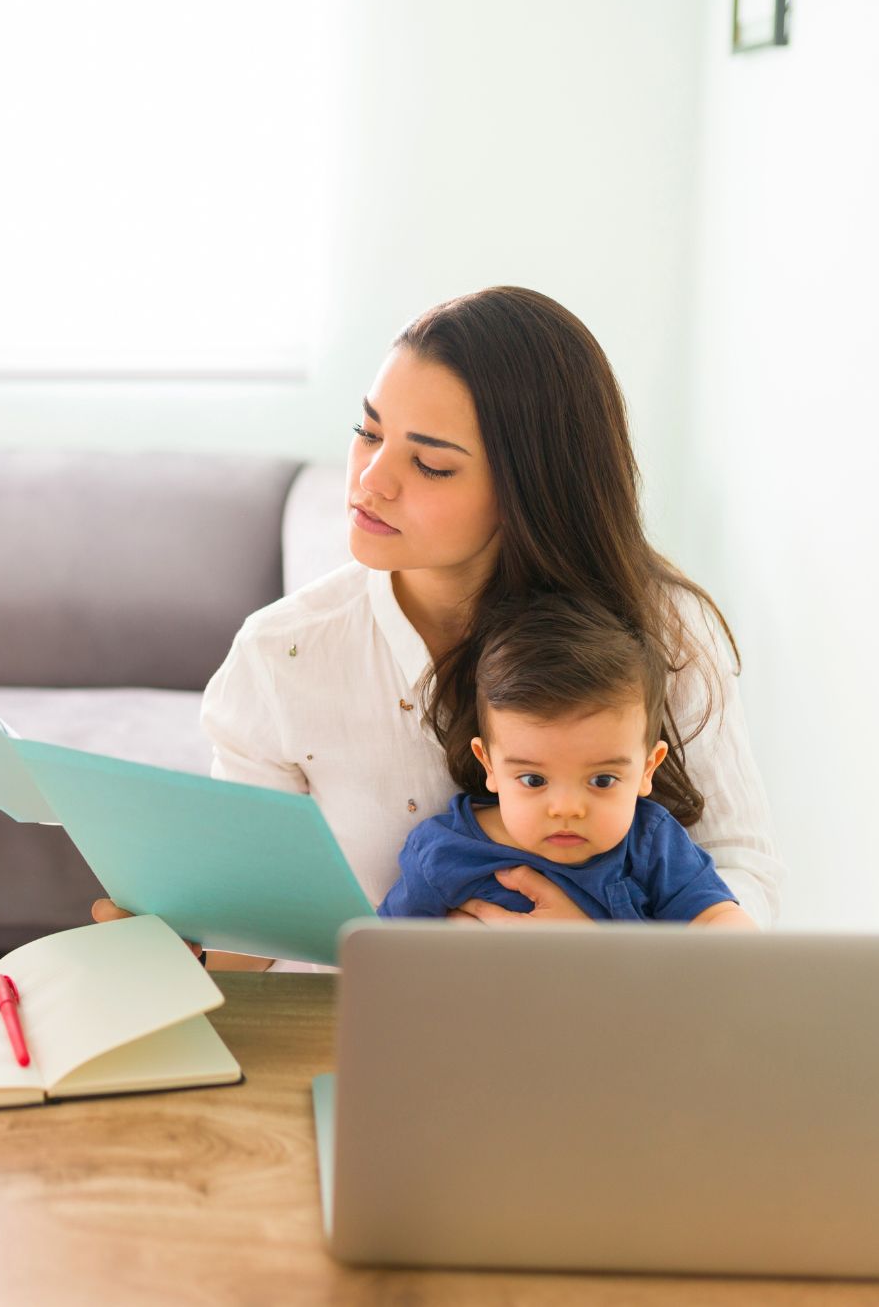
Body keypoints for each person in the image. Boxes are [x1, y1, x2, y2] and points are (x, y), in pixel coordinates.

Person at [93, 286, 782, 968]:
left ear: (531, 489)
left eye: (430, 464)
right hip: (372, 1032)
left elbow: (740, 869)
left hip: (614, 1037)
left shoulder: (663, 633)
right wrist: (182, 947)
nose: (372, 478)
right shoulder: (283, 656)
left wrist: (602, 957)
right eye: (368, 432)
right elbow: (253, 939)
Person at [378, 592, 754, 928]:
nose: (566, 809)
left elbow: (716, 918)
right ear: (489, 764)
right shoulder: (443, 854)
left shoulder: (651, 844)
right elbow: (384, 958)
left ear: (647, 768)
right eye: (533, 780)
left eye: (602, 780)